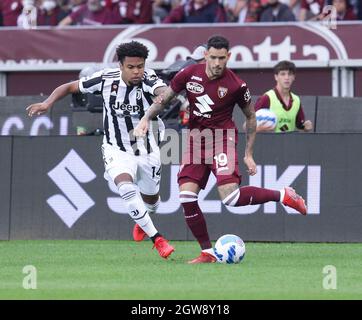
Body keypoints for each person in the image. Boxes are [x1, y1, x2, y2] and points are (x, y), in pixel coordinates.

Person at [134, 35, 307, 264]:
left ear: (229, 57)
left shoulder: (236, 84)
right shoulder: (188, 74)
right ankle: (208, 253)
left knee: (231, 198)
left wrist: (248, 154)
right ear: (206, 55)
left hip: (222, 138)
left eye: (222, 58)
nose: (217, 63)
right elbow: (164, 99)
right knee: (186, 197)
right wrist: (145, 118)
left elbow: (251, 117)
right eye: (213, 57)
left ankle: (284, 195)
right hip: (196, 139)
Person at [26, 41, 175, 260]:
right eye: (131, 67)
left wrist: (162, 96)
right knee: (126, 189)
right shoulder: (106, 79)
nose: (137, 71)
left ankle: (144, 221)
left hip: (147, 149)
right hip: (116, 148)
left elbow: (163, 91)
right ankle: (158, 240)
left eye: (140, 66)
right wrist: (48, 103)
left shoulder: (149, 79)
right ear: (121, 66)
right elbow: (69, 87)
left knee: (152, 201)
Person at [253, 60, 313, 132]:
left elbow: (300, 125)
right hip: (269, 142)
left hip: (289, 143)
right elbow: (246, 125)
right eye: (283, 74)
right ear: (276, 77)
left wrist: (305, 126)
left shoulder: (296, 100)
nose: (287, 77)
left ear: (294, 77)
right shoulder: (266, 98)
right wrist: (258, 129)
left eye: (290, 74)